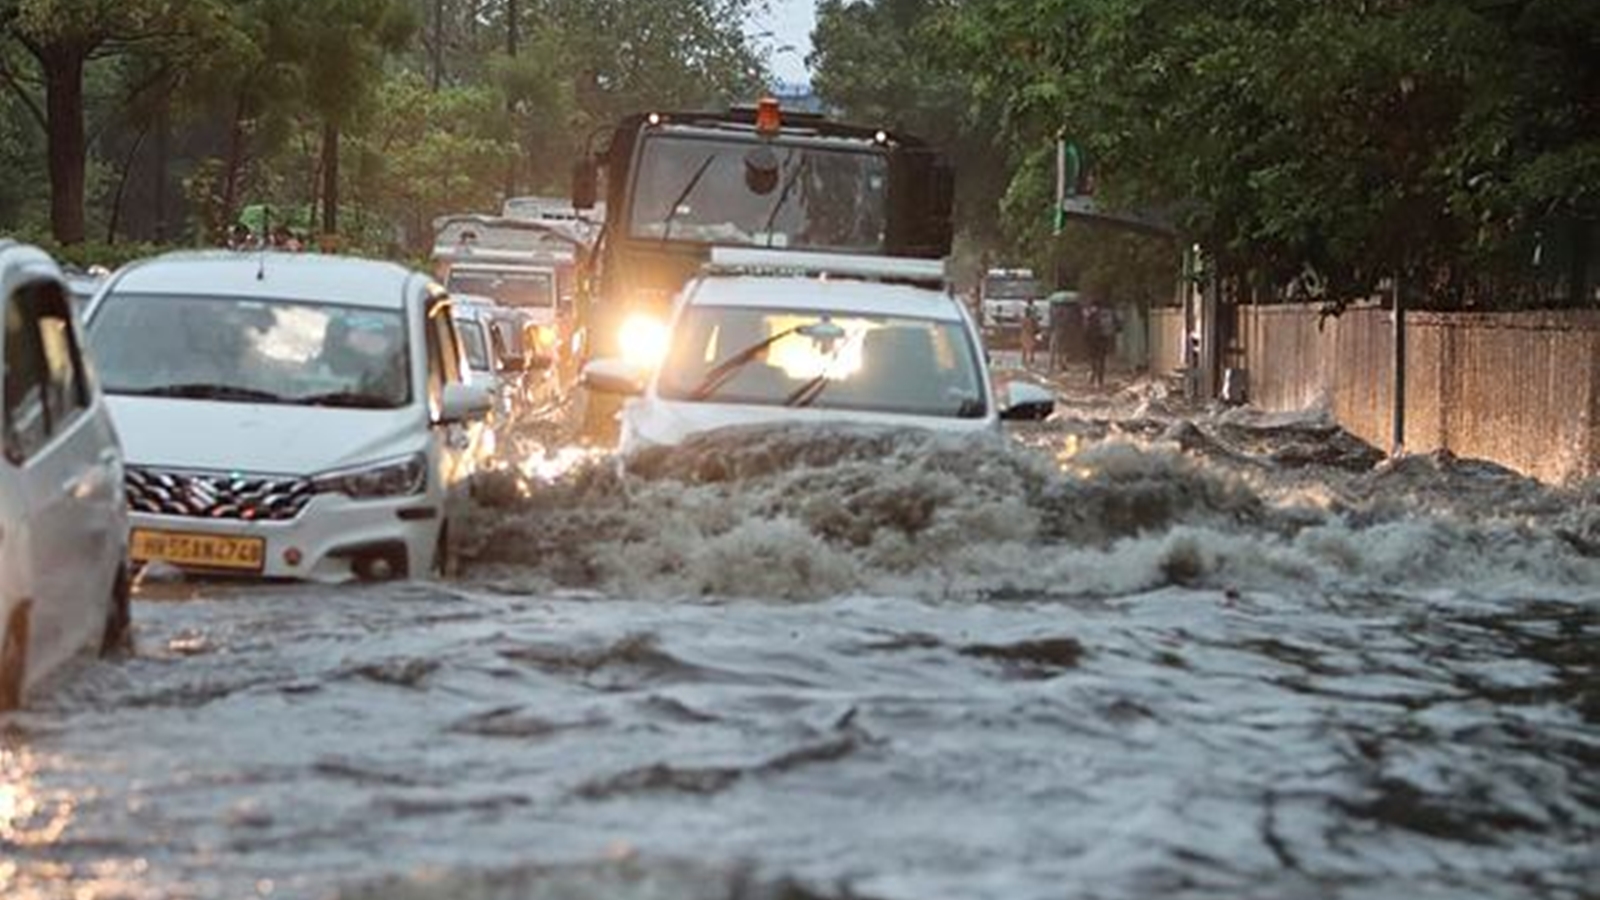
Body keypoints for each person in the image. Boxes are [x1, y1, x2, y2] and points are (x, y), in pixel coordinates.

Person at [1084, 300, 1118, 387]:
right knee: (1101, 360)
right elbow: (1117, 325)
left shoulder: (1091, 316)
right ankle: (1100, 381)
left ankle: (1093, 377)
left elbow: (1087, 330)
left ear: (1094, 306)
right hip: (1103, 340)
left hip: (1092, 341)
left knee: (1094, 360)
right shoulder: (1106, 315)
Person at [1019, 299, 1038, 368]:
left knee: (1026, 346)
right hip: (1030, 333)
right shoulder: (1033, 316)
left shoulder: (1026, 318)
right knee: (1031, 345)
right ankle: (1030, 358)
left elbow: (1023, 325)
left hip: (1027, 333)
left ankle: (1026, 358)